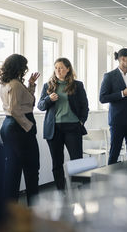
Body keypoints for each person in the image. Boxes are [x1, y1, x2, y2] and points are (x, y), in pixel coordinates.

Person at [38, 58, 89, 190]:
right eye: (56, 68)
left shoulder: (77, 85)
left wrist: (81, 121)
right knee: (57, 163)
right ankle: (61, 191)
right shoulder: (48, 85)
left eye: (61, 67)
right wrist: (49, 99)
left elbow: (85, 106)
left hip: (73, 127)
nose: (58, 70)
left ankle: (80, 191)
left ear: (68, 69)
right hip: (54, 129)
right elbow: (41, 106)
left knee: (77, 161)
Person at [0, 54, 40, 205]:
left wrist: (31, 85)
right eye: (24, 66)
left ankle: (10, 211)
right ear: (19, 67)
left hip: (8, 126)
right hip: (19, 126)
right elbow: (15, 109)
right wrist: (29, 126)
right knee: (32, 169)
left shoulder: (7, 83)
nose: (25, 69)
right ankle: (34, 209)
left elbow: (24, 102)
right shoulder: (15, 84)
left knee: (13, 169)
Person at [99, 48, 127, 165]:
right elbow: (103, 98)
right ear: (122, 59)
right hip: (117, 121)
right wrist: (122, 94)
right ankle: (110, 179)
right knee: (114, 152)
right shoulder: (109, 76)